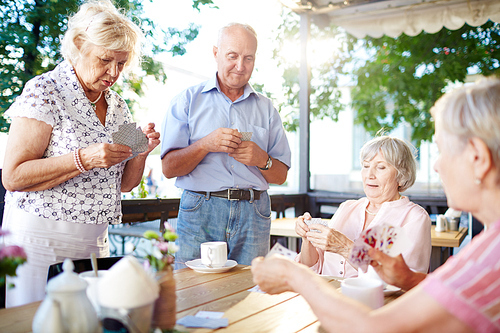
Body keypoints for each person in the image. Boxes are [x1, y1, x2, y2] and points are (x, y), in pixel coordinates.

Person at [252, 77, 500, 332]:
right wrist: (409, 278)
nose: (437, 166)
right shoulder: (486, 245)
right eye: (366, 166)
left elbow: (375, 327)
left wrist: (292, 275)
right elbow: (439, 288)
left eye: (442, 150)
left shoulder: (488, 254)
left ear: (477, 157)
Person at [1, 0, 160, 307]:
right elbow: (13, 176)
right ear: (79, 46)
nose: (113, 72)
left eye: (121, 63)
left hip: (94, 243)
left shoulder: (118, 106)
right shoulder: (44, 91)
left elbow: (125, 184)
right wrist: (84, 158)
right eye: (105, 60)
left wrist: (141, 151)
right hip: (38, 240)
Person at [161, 22, 291, 267]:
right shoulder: (187, 101)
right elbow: (168, 168)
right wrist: (205, 144)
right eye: (232, 56)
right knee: (193, 291)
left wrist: (261, 159)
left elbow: (281, 175)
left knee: (250, 292)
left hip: (254, 212)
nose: (240, 66)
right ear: (215, 53)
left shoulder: (267, 108)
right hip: (201, 208)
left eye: (248, 58)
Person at [295, 136, 431, 278]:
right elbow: (312, 268)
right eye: (366, 166)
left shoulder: (414, 218)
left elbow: (404, 280)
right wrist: (308, 238)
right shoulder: (346, 208)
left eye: (381, 167)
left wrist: (345, 248)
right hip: (325, 296)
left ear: (402, 175)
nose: (369, 175)